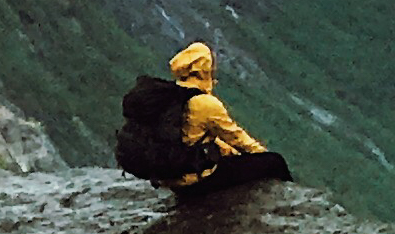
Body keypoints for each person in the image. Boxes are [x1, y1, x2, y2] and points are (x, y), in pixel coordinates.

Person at [116, 41, 291, 194]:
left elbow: (194, 139)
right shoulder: (205, 103)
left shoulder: (169, 95)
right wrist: (262, 156)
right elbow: (237, 139)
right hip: (197, 182)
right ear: (204, 69)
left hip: (173, 179)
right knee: (275, 162)